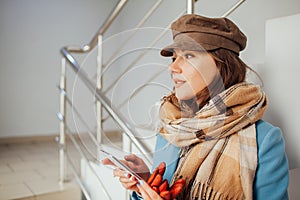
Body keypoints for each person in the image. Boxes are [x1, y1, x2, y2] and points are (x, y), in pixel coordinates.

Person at [103, 14, 289, 200]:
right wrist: (147, 182)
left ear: (221, 63)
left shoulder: (263, 139)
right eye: (174, 58)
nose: (173, 68)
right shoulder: (171, 128)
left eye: (188, 56)